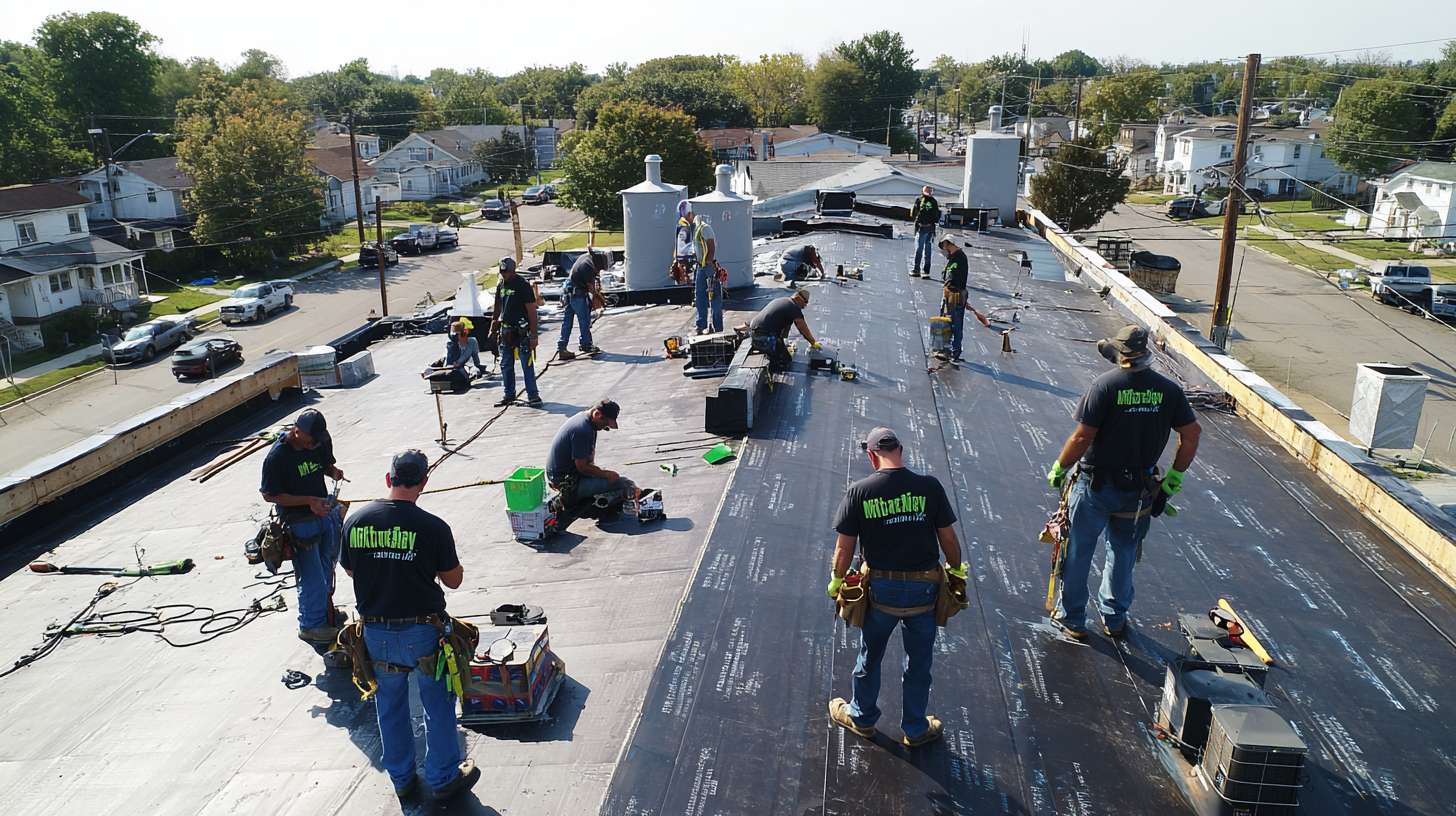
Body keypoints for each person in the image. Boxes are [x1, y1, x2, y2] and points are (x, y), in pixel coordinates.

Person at [341, 450, 480, 802]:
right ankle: (443, 776)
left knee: (389, 706)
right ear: (423, 483)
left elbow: (353, 570)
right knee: (438, 704)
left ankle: (402, 779)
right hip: (422, 633)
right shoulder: (433, 527)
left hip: (376, 633)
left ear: (389, 478)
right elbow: (454, 581)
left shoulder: (356, 522)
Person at [1046, 325, 1202, 639]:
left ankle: (1072, 617)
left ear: (1121, 354)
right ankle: (1114, 618)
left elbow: (1082, 437)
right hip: (1139, 491)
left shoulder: (1105, 386)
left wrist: (1060, 467)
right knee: (1123, 552)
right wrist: (1175, 476)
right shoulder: (1168, 391)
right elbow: (1191, 434)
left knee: (1078, 550)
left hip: (1096, 486)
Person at [826, 427, 967, 747]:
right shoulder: (929, 487)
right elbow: (948, 538)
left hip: (880, 592)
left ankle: (861, 717)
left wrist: (837, 579)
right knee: (919, 662)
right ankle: (916, 728)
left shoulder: (859, 491)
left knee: (870, 656)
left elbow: (844, 549)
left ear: (871, 455)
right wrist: (956, 571)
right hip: (924, 592)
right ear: (900, 450)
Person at [259, 409, 346, 644]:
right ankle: (310, 624)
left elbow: (324, 464)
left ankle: (323, 613)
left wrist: (333, 472)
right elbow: (270, 495)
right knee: (312, 576)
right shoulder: (277, 457)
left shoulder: (318, 442)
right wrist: (308, 501)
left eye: (317, 441)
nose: (314, 445)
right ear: (296, 432)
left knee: (327, 566)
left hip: (323, 513)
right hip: (299, 523)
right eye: (310, 441)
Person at [545, 399, 636, 517]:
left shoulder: (587, 421)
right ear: (597, 414)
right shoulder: (582, 430)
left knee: (610, 479)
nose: (604, 427)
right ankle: (568, 498)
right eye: (605, 424)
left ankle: (577, 497)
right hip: (565, 481)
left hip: (568, 474)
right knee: (624, 483)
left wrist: (599, 474)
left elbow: (588, 460)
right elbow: (583, 467)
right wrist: (606, 475)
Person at [489, 257, 542, 407]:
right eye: (502, 272)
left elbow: (532, 311)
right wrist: (493, 328)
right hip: (506, 331)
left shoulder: (522, 286)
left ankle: (533, 395)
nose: (504, 275)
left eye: (506, 272)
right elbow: (497, 307)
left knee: (527, 364)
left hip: (522, 332)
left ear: (513, 271)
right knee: (506, 364)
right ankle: (509, 394)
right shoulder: (501, 285)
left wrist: (534, 335)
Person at [935, 238, 990, 362]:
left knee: (955, 324)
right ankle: (946, 349)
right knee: (948, 322)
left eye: (943, 246)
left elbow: (953, 279)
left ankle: (954, 352)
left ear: (947, 244)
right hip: (950, 295)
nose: (943, 250)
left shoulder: (960, 258)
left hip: (955, 296)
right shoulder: (953, 258)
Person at [749, 289, 819, 372]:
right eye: (805, 302)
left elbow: (783, 330)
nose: (805, 306)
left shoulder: (782, 301)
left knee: (783, 353)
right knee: (784, 361)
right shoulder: (793, 307)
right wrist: (813, 342)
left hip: (755, 334)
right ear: (798, 298)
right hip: (765, 338)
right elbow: (802, 328)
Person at [680, 203, 723, 335]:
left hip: (708, 267)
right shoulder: (696, 229)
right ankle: (701, 325)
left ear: (691, 215)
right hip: (701, 266)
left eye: (687, 217)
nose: (687, 220)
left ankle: (717, 327)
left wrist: (709, 261)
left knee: (714, 297)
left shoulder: (704, 228)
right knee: (700, 297)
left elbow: (711, 245)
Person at [558, 249, 607, 360]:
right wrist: (601, 299)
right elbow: (591, 289)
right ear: (597, 265)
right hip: (577, 294)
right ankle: (586, 345)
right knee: (584, 320)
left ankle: (562, 347)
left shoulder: (586, 258)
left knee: (567, 321)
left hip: (568, 291)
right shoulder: (588, 266)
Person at [442, 320, 484, 390]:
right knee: (457, 374)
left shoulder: (472, 342)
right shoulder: (450, 344)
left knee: (475, 371)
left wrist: (478, 367)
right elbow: (448, 363)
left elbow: (475, 357)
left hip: (467, 365)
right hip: (453, 367)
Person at [910, 185, 941, 278]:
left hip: (922, 228)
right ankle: (926, 271)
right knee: (928, 250)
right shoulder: (934, 201)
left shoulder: (919, 200)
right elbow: (937, 216)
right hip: (931, 228)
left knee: (919, 249)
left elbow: (913, 213)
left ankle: (916, 270)